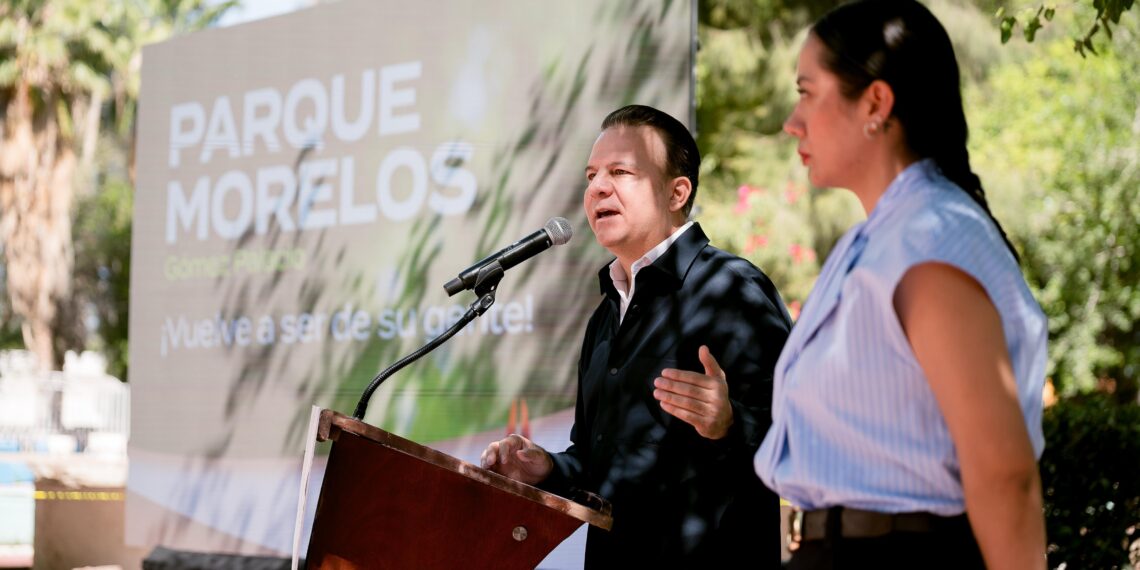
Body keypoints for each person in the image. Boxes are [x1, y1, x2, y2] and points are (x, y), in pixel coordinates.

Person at [743, 1, 1049, 568]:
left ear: (876, 103)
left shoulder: (930, 241)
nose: (792, 120)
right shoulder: (880, 241)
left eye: (807, 92)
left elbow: (1005, 476)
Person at [480, 104, 792, 567]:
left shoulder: (732, 290)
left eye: (620, 171)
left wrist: (731, 424)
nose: (597, 187)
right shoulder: (605, 317)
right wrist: (548, 468)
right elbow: (597, 463)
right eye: (591, 175)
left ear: (676, 192)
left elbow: (801, 437)